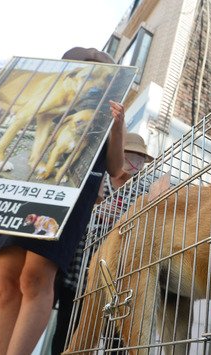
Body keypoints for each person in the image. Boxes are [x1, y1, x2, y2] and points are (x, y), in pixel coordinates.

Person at [0, 47, 127, 355]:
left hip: (68, 197)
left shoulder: (106, 112)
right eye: (87, 72)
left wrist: (118, 126)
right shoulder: (52, 94)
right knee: (6, 280)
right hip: (21, 189)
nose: (95, 80)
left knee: (36, 276)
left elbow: (115, 169)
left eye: (103, 74)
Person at [50, 132, 153, 355]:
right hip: (80, 272)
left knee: (117, 337)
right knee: (68, 330)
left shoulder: (145, 191)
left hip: (120, 276)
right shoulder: (95, 180)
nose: (134, 163)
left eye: (139, 159)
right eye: (129, 155)